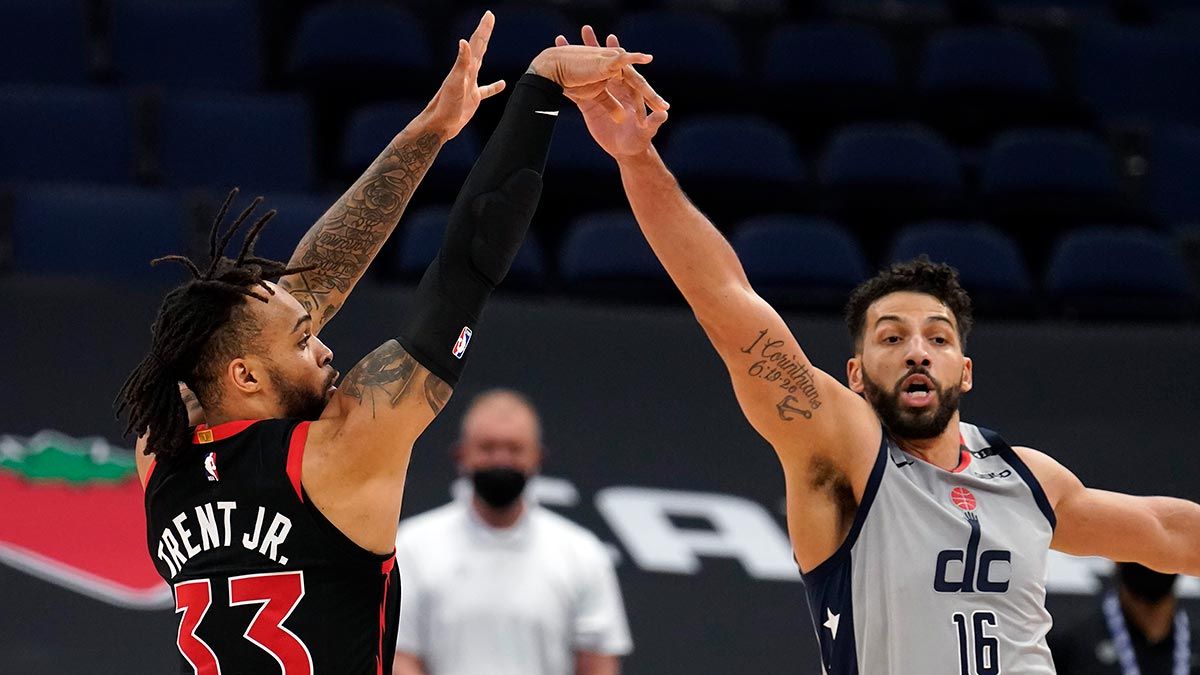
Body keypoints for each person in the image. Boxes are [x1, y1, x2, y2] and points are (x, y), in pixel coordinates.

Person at [556, 23, 1200, 675]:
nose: (918, 350)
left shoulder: (1031, 479)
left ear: (965, 370)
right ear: (857, 374)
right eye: (892, 336)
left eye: (938, 338)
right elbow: (726, 301)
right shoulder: (843, 451)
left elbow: (1168, 533)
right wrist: (636, 159)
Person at [115, 13, 661, 673]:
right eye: (303, 341)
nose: (323, 347)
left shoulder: (162, 456)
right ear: (247, 377)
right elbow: (465, 266)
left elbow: (307, 288)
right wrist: (540, 88)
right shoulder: (340, 450)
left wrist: (430, 129)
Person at [392, 389, 632, 675]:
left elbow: (598, 664)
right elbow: (400, 656)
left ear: (538, 457)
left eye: (514, 448)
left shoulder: (582, 553)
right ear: (460, 454)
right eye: (488, 447)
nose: (501, 460)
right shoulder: (412, 547)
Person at [1051, 563, 1196, 674]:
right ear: (1116, 559)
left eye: (1162, 549)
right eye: (1140, 547)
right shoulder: (1072, 645)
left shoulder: (1193, 642)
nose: (1150, 560)